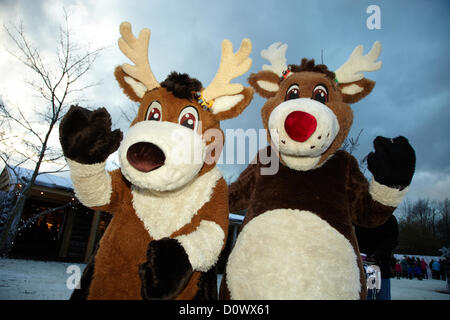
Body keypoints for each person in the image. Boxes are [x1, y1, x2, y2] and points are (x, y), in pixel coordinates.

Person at [355, 215, 399, 300]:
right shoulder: (359, 217)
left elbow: (393, 240)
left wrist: (377, 254)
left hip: (381, 266)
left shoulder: (389, 218)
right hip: (361, 268)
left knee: (382, 296)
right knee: (363, 296)